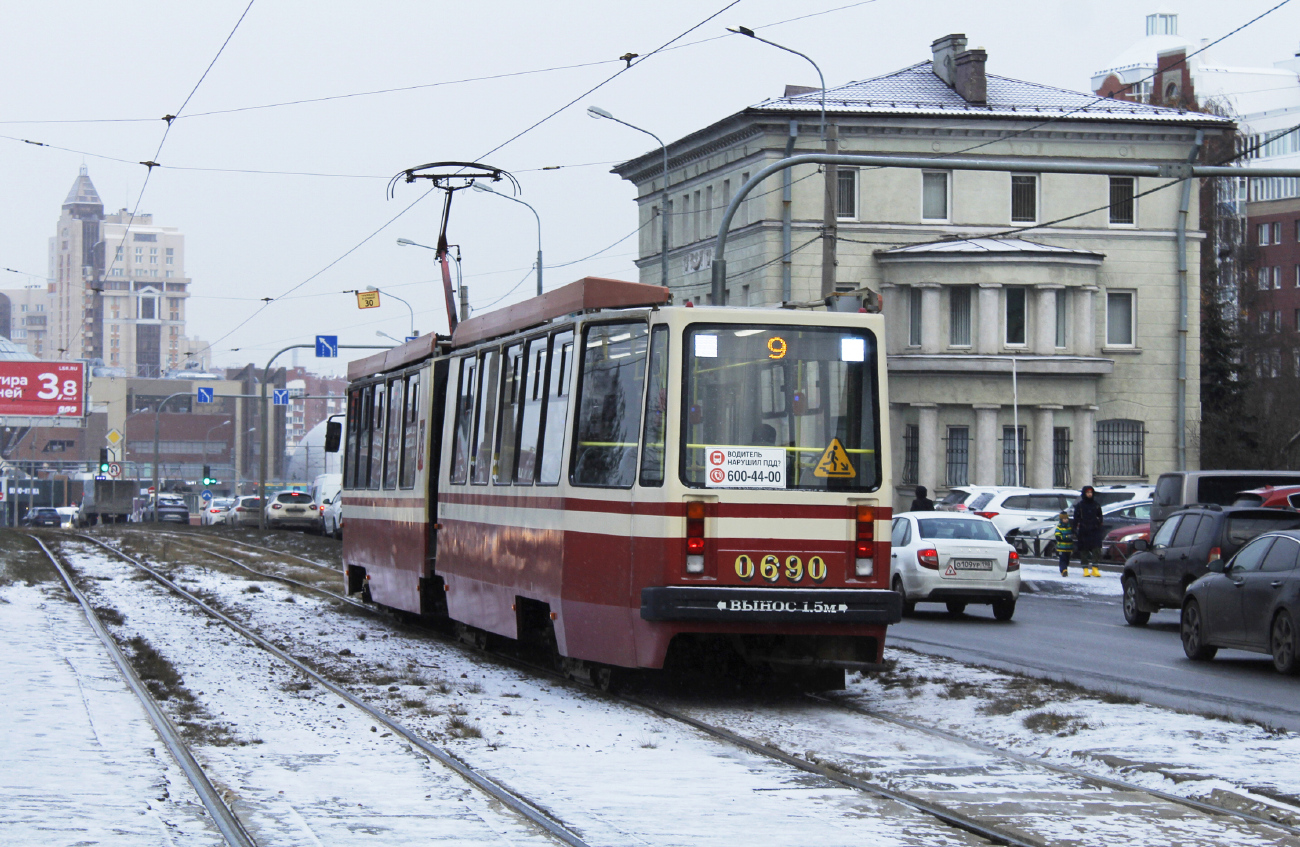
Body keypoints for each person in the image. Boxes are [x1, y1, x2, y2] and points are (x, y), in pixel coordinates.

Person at [1072, 485, 1104, 577]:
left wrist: (1099, 524)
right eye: (1087, 492)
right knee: (1084, 550)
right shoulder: (1080, 505)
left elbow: (1100, 516)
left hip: (1095, 530)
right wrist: (1074, 529)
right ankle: (1085, 569)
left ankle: (1095, 568)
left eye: (1091, 492)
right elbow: (1076, 518)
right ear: (1084, 494)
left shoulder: (1096, 505)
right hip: (1084, 530)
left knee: (1096, 549)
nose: (1089, 494)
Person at [1053, 510, 1074, 577]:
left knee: (1067, 560)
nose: (1066, 520)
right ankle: (1063, 570)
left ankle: (1065, 569)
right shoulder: (1059, 527)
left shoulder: (1070, 526)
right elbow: (1058, 537)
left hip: (1069, 547)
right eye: (1064, 519)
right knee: (1063, 559)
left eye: (1067, 518)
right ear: (1061, 519)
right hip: (1061, 547)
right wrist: (1067, 537)